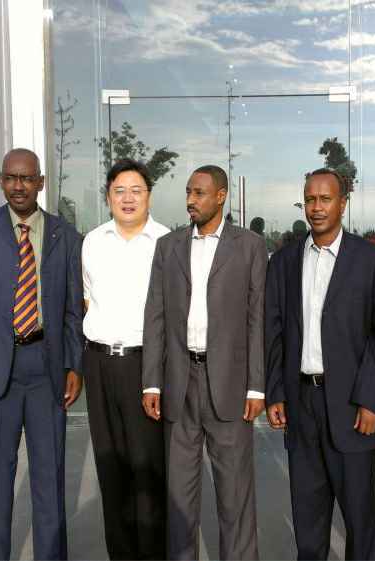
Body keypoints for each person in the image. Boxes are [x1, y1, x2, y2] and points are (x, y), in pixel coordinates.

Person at [0, 148, 83, 561]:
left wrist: (74, 364)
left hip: (46, 370)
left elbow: (72, 309)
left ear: (40, 182)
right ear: (1, 181)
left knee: (50, 478)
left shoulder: (65, 235)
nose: (18, 186)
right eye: (10, 178)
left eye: (26, 178)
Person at [141, 164, 267, 560]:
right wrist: (151, 382)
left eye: (199, 193)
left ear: (221, 196)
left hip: (229, 385)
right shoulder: (169, 246)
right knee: (179, 497)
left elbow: (257, 319)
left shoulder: (249, 246)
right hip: (179, 384)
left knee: (235, 496)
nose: (190, 201)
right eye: (188, 192)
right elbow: (155, 315)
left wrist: (256, 386)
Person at [265, 168, 375, 560]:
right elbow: (275, 332)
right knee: (308, 522)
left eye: (325, 199)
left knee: (360, 521)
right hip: (301, 405)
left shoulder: (370, 259)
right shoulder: (284, 261)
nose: (316, 208)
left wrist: (371, 401)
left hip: (353, 407)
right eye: (310, 200)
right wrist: (276, 392)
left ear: (343, 203)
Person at [81, 158, 170, 559]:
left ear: (149, 196)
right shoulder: (92, 242)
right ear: (108, 197)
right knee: (110, 468)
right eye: (119, 191)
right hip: (99, 363)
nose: (128, 198)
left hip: (144, 366)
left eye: (136, 190)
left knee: (147, 469)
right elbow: (88, 299)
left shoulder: (166, 242)